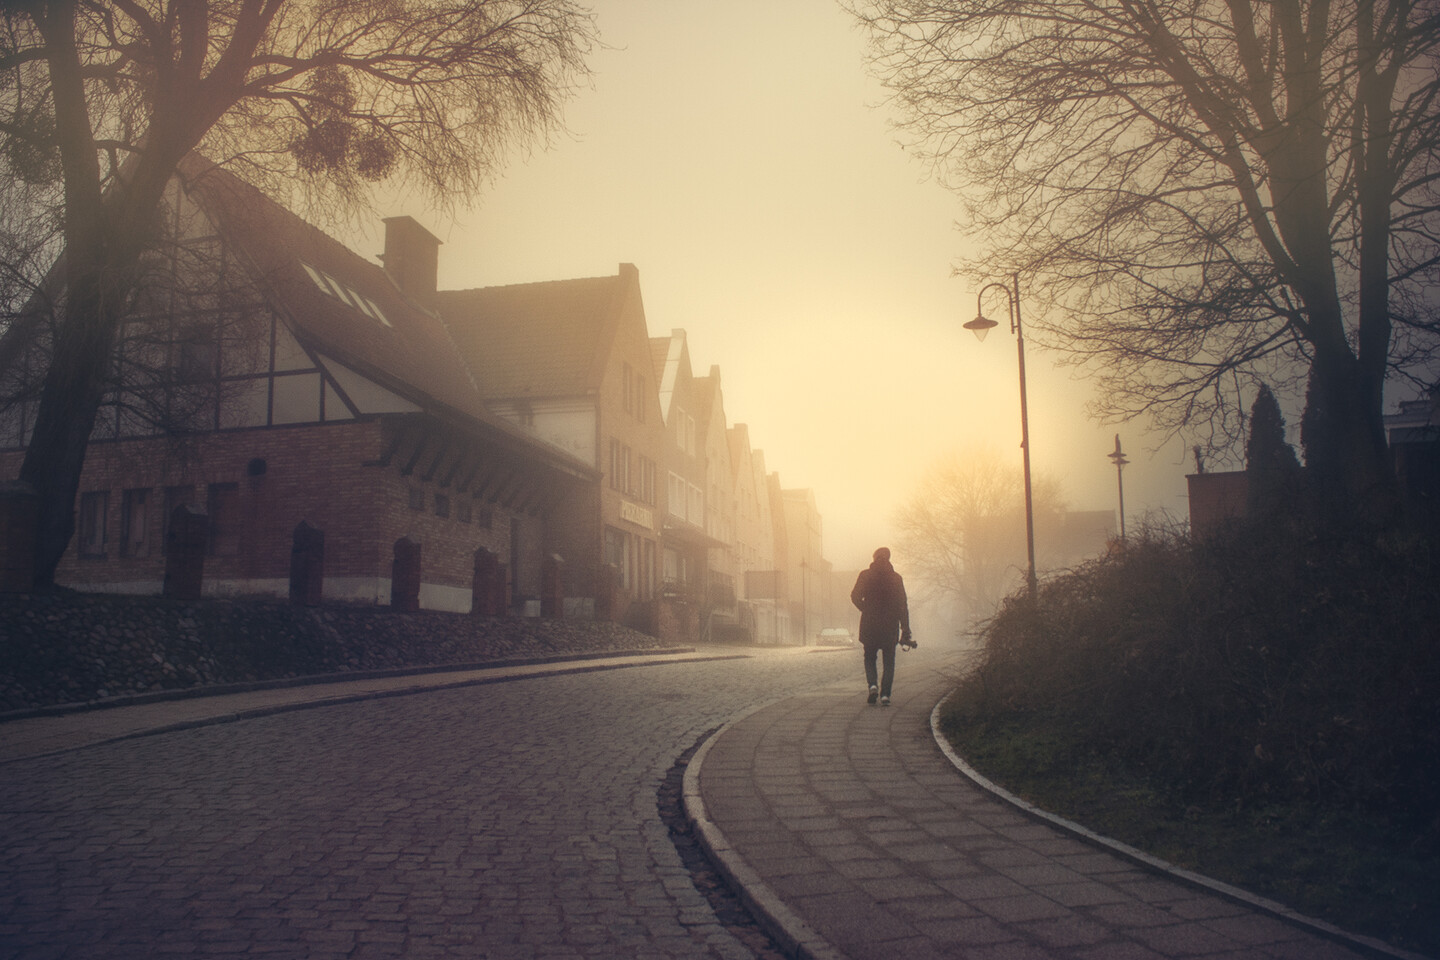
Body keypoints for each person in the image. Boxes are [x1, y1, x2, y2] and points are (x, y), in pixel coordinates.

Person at [850, 547, 913, 706]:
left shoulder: (865, 575)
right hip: (890, 625)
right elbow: (902, 605)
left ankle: (872, 685)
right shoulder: (896, 579)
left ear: (874, 558)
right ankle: (885, 695)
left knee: (870, 657)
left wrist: (865, 608)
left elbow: (855, 596)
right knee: (889, 661)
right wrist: (905, 628)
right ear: (888, 558)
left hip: (870, 624)